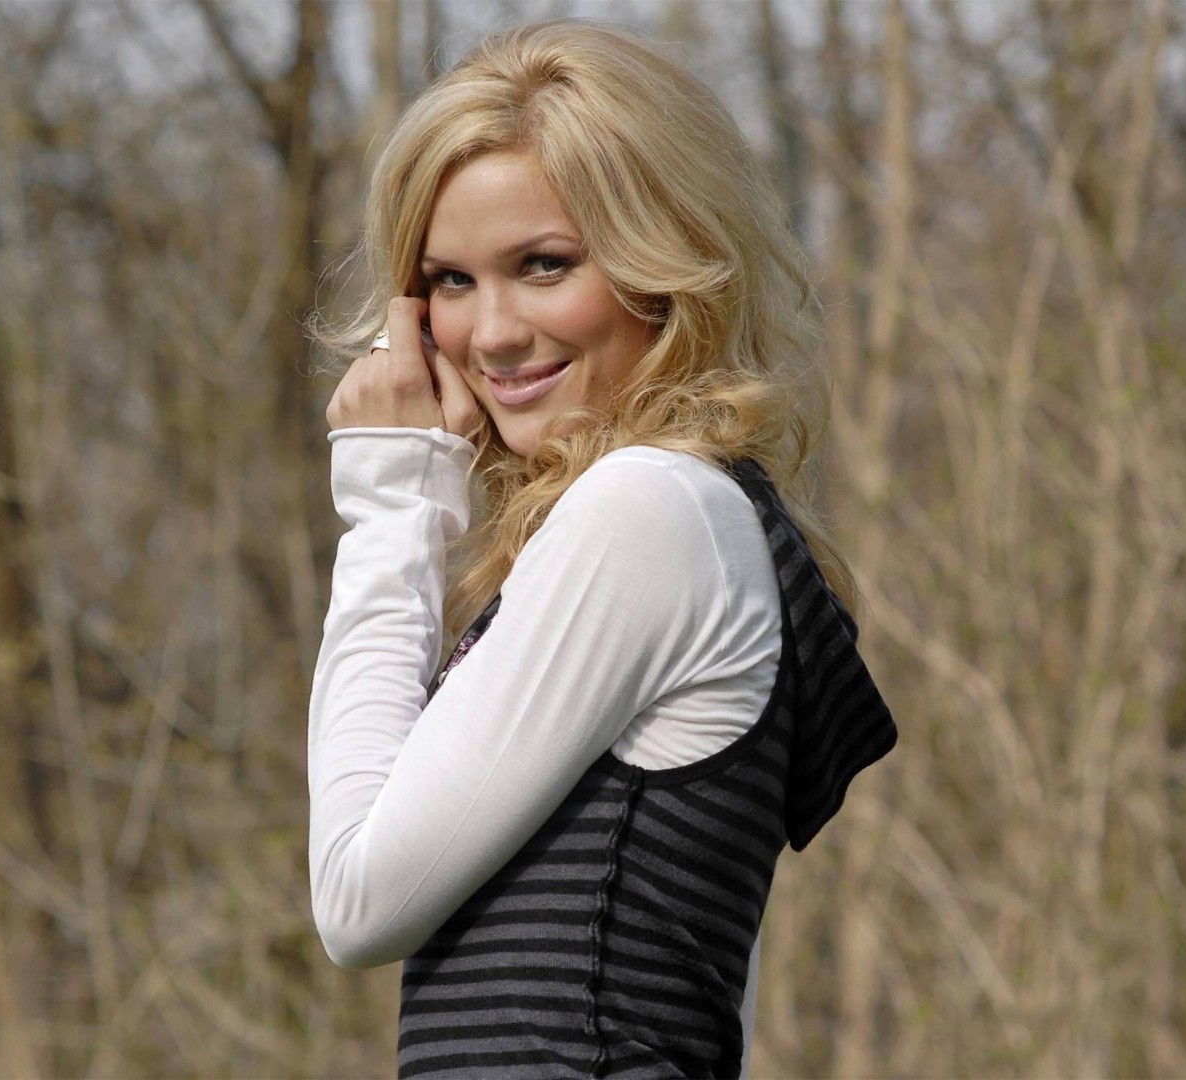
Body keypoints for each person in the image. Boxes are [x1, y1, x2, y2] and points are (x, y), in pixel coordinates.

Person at [305, 18, 896, 1078]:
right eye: (450, 281)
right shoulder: (685, 516)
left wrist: (393, 506)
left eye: (544, 265)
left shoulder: (649, 510)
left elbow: (357, 898)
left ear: (663, 266)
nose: (492, 333)